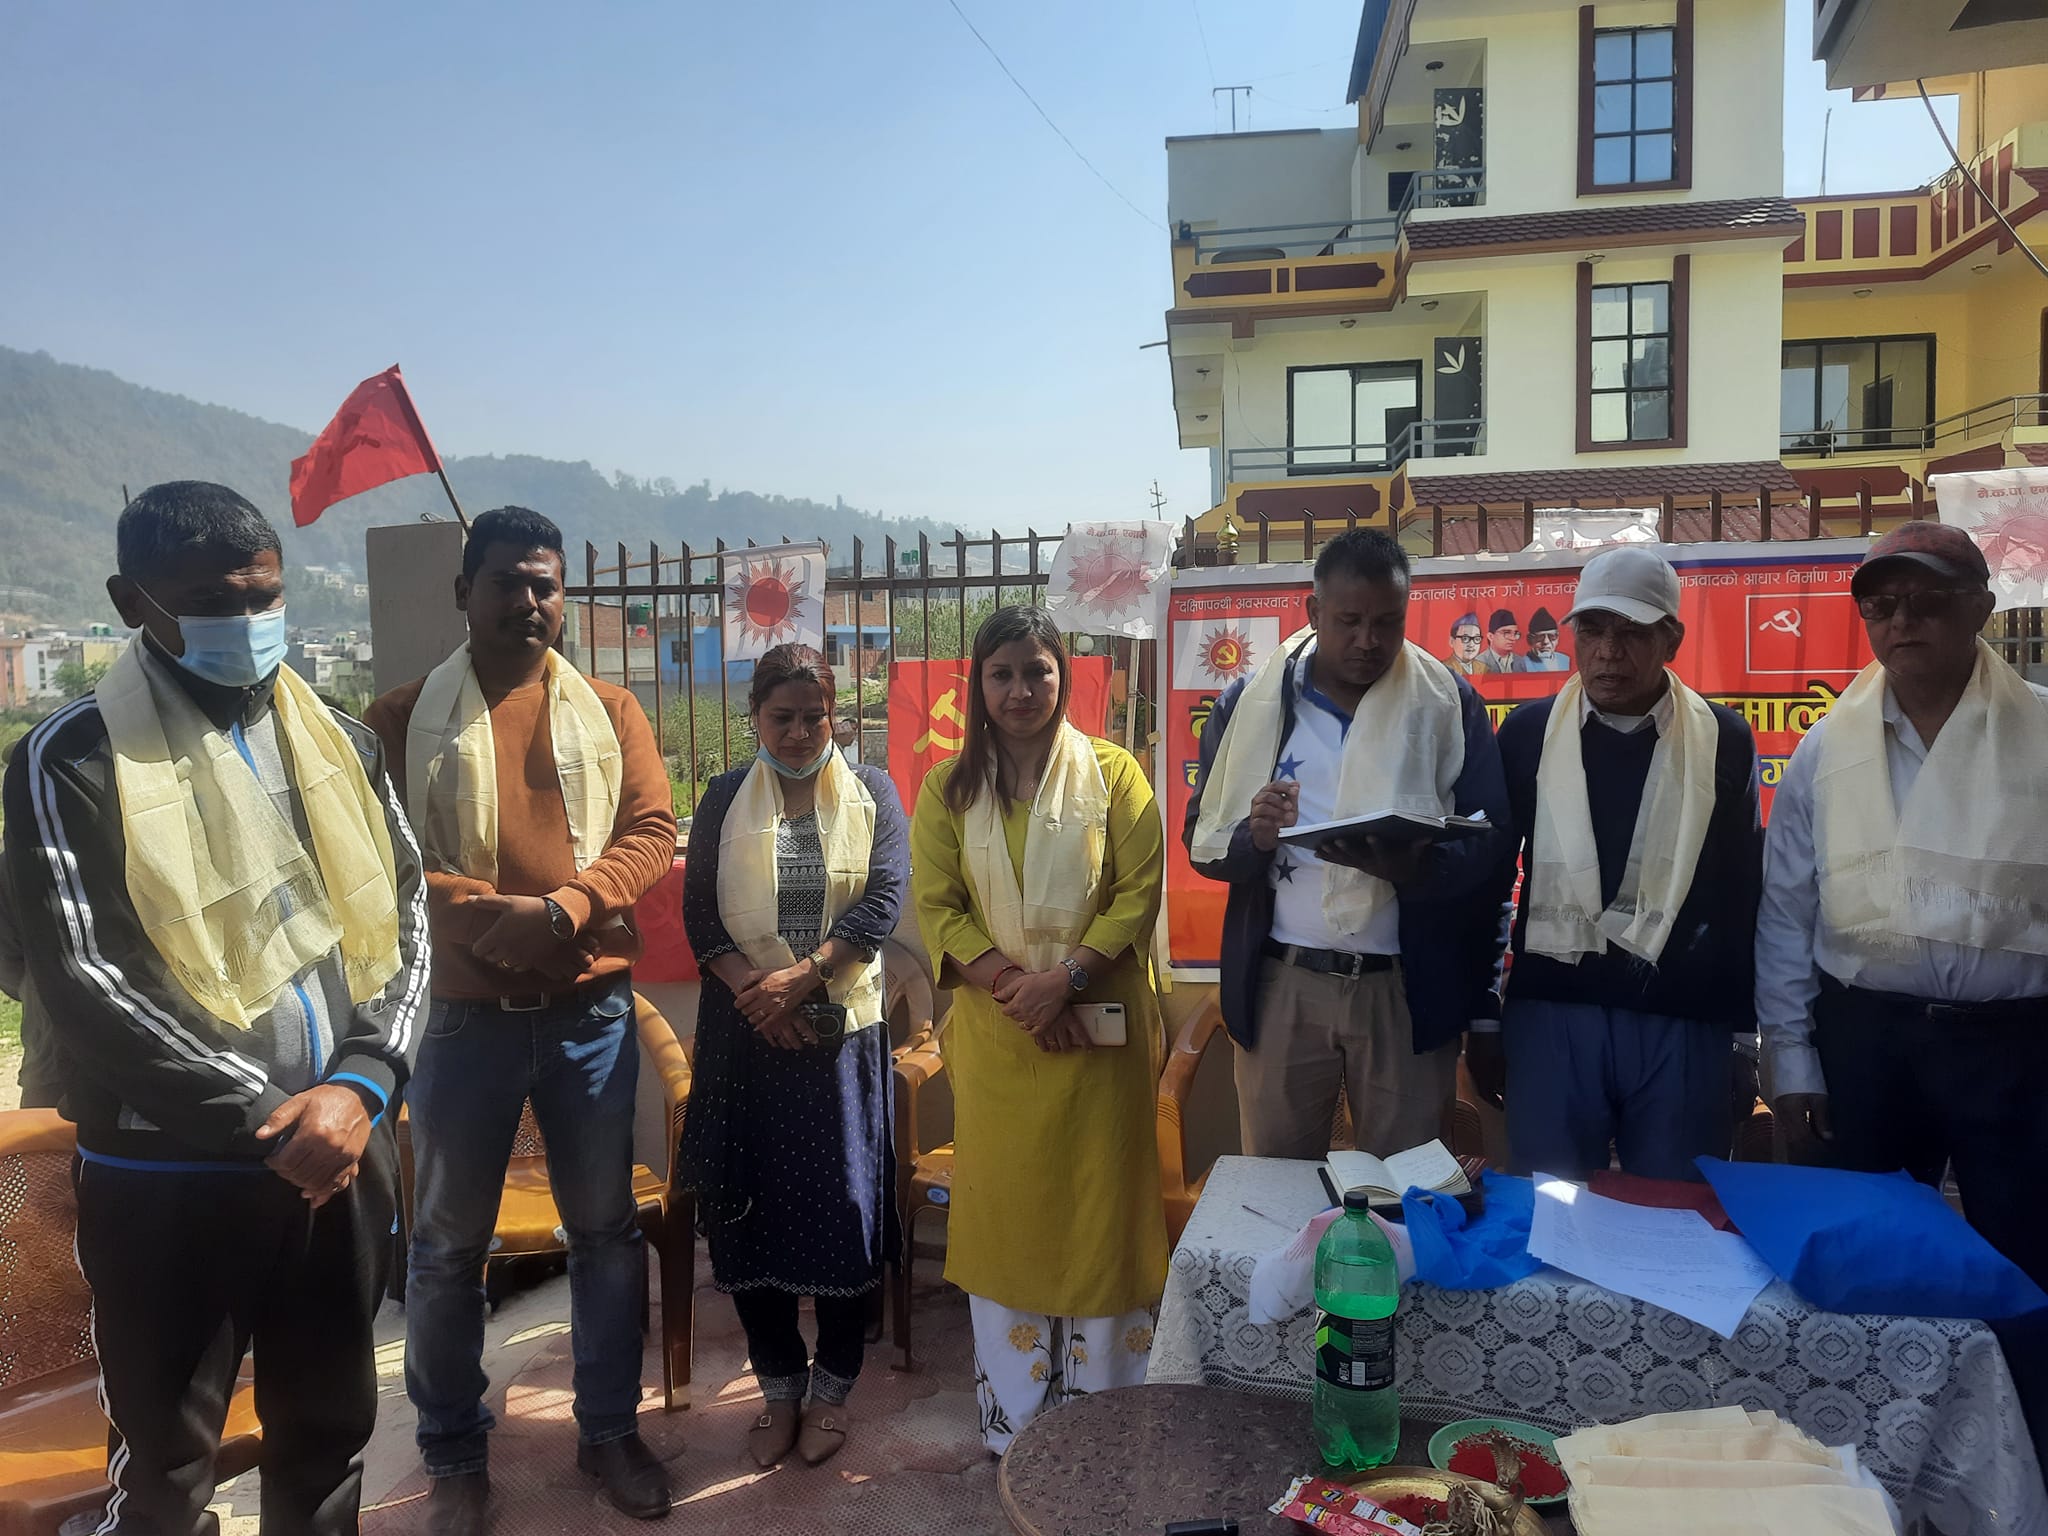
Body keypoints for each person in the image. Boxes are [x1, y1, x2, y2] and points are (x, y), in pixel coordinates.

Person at [2, 481, 430, 1535]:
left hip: (343, 1155)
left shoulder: (337, 743)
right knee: (167, 1467)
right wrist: (269, 1120)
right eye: (210, 602)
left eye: (263, 597)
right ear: (131, 601)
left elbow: (406, 920)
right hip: (168, 1175)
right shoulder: (74, 759)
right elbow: (92, 979)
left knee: (327, 1438)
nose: (246, 623)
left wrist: (360, 1085)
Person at [367, 507, 679, 1532]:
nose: (528, 601)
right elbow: (384, 861)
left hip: (589, 1016)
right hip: (463, 1023)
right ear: (465, 592)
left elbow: (650, 830)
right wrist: (487, 916)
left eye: (545, 584)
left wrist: (565, 911)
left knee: (604, 1233)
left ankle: (608, 1431)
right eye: (507, 581)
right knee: (446, 1248)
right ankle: (454, 1454)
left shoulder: (612, 712)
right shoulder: (399, 719)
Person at [1756, 521, 2048, 1286]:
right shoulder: (1826, 749)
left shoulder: (2043, 733)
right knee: (1867, 1270)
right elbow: (1787, 913)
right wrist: (1791, 1058)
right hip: (1868, 1044)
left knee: (2027, 1267)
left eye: (1927, 601)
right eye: (1881, 606)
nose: (1901, 621)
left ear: (1981, 608)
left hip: (2017, 1050)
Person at [910, 605, 1167, 1454]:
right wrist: (1020, 988)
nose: (1021, 690)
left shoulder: (1116, 774)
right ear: (978, 685)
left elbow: (1137, 892)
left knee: (1102, 1218)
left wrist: (1067, 980)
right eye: (1003, 674)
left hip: (1101, 1045)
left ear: (1063, 677)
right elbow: (940, 908)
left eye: (1037, 671)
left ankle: (1105, 1421)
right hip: (1003, 1041)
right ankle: (1017, 1430)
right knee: (1009, 1220)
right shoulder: (948, 789)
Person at [1185, 529, 1513, 1160]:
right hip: (1284, 985)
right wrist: (1255, 839)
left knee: (1404, 1188)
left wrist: (1415, 867)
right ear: (1314, 612)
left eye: (1387, 622)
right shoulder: (1249, 704)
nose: (1368, 641)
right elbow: (1203, 838)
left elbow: (1491, 841)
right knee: (1277, 1188)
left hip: (1405, 991)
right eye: (1350, 621)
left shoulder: (1449, 701)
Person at [679, 644, 904, 1470]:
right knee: (748, 1214)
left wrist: (803, 979)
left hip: (839, 1039)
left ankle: (832, 1390)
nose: (802, 732)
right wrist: (759, 997)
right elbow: (700, 914)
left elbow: (883, 898)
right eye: (783, 717)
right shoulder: (723, 796)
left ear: (835, 716)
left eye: (816, 717)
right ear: (754, 718)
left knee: (842, 1212)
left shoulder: (873, 790)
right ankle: (778, 1388)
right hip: (745, 1042)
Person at [1470, 547, 1761, 1179]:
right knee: (1552, 1212)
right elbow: (1490, 880)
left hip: (1684, 1022)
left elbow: (1741, 895)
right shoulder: (1528, 734)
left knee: (1674, 1219)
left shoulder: (1724, 740)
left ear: (1672, 641)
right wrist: (1485, 1019)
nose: (1608, 652)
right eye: (1592, 630)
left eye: (1631, 633)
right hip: (1552, 1017)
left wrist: (1744, 1036)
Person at [1523, 606, 1572, 673]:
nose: (1546, 642)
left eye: (1552, 636)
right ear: (1529, 639)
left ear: (1557, 638)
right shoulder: (1522, 664)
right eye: (1540, 637)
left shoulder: (1565, 660)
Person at [1478, 608, 1525, 674]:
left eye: (1515, 633)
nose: (1513, 638)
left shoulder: (1521, 662)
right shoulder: (1478, 663)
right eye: (1507, 633)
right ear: (1491, 636)